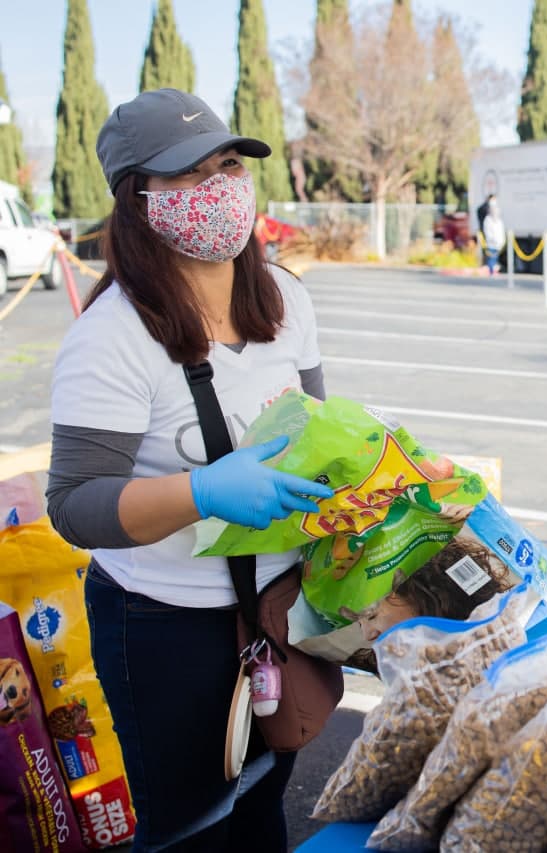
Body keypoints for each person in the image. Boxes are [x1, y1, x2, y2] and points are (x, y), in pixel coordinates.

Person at [45, 89, 334, 852]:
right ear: (138, 202)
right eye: (186, 175)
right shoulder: (110, 337)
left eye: (228, 164)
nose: (219, 188)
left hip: (279, 612)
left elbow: (319, 427)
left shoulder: (287, 299)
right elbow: (74, 503)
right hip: (166, 629)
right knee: (191, 829)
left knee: (264, 804)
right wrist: (203, 491)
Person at [482, 198, 505, 275]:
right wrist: (492, 239)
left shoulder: (499, 221)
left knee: (495, 258)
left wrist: (502, 241)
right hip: (491, 243)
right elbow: (488, 232)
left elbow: (501, 232)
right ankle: (491, 272)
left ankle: (493, 271)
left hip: (498, 243)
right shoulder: (488, 220)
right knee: (491, 258)